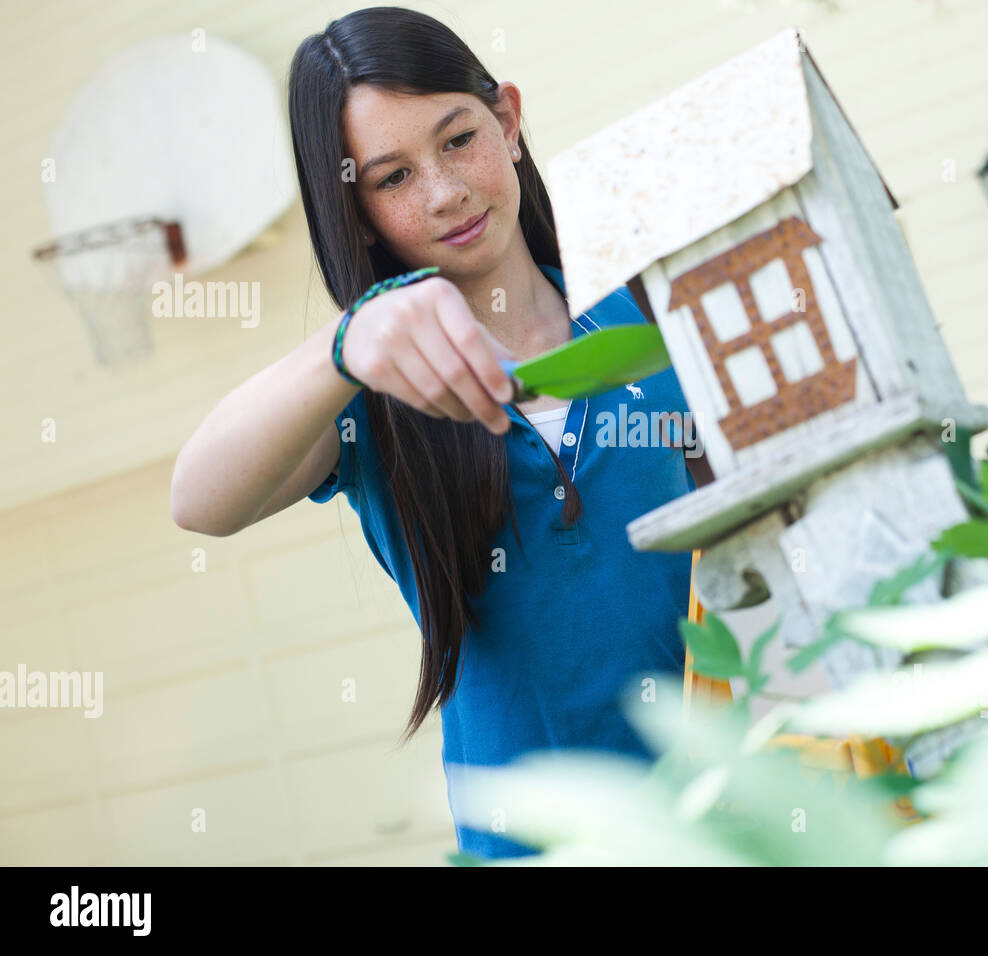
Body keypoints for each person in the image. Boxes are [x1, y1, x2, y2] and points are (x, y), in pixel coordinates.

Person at [170, 6, 702, 860]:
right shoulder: (366, 389)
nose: (445, 191)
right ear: (360, 212)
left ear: (511, 122)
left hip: (731, 816)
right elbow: (198, 500)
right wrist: (345, 343)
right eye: (392, 178)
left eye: (458, 140)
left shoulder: (649, 312)